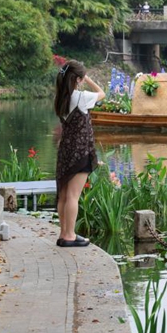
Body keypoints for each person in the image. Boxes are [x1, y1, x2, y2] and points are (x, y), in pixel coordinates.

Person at [54, 60, 105, 247]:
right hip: (80, 151)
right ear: (77, 79)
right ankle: (70, 236)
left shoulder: (61, 97)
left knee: (64, 194)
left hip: (65, 151)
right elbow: (102, 93)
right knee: (73, 196)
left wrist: (80, 77)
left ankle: (63, 233)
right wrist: (89, 79)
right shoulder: (81, 97)